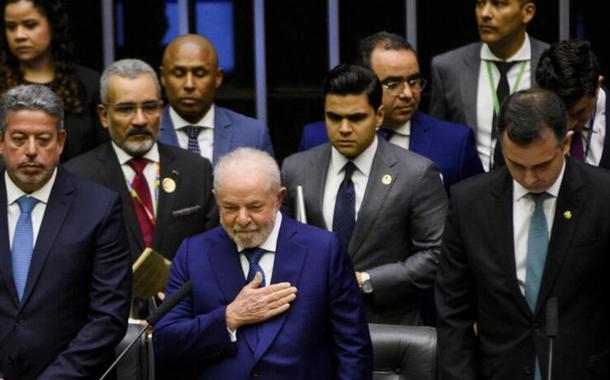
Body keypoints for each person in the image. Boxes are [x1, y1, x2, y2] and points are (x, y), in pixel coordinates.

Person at [153, 147, 372, 379]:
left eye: (255, 207)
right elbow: (166, 342)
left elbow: (353, 350)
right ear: (216, 199)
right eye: (230, 208)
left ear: (278, 198)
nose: (243, 219)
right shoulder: (194, 253)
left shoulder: (324, 250)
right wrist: (229, 318)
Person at [436, 88, 610, 380]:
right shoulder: (469, 203)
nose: (529, 179)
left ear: (566, 143)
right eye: (516, 164)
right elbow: (454, 312)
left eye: (542, 165)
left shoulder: (603, 196)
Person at [282, 64, 448, 325]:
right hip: (312, 327)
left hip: (386, 327)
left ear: (379, 115)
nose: (344, 128)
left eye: (356, 118)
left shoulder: (416, 173)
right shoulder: (295, 169)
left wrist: (367, 281)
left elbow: (436, 254)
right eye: (334, 117)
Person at [0, 84, 131, 379]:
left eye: (43, 139)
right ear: (1, 142)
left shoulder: (99, 207)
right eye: (19, 139)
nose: (31, 151)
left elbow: (108, 316)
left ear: (60, 142)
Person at [66, 59, 218, 263]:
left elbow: (213, 250)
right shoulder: (78, 178)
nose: (140, 120)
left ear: (161, 110)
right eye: (126, 109)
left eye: (149, 107)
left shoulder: (196, 170)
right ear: (104, 116)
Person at [299, 31, 484, 193]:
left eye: (414, 81)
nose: (407, 94)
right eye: (393, 84)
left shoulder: (454, 143)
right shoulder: (317, 139)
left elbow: (472, 212)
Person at [429, 0, 547, 171]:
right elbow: (437, 137)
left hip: (534, 181)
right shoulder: (449, 67)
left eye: (499, 4)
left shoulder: (549, 62)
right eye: (479, 4)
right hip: (470, 189)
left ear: (527, 12)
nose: (484, 13)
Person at [0, 0, 107, 162]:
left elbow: (103, 153)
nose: (19, 35)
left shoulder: (87, 84)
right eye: (11, 27)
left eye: (30, 25)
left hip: (80, 183)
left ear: (52, 25)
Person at [157, 34, 274, 164]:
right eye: (179, 74)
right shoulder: (148, 133)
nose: (189, 84)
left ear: (218, 77)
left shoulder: (252, 135)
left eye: (200, 74)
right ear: (163, 77)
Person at [536, 39, 610, 169]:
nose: (570, 124)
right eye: (562, 113)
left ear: (598, 85)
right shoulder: (529, 117)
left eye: (579, 112)